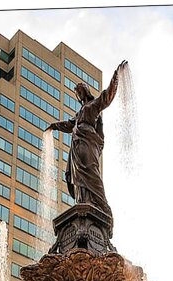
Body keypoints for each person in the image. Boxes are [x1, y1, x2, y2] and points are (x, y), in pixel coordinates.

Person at [46, 60, 128, 225]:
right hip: (77, 144)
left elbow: (107, 96)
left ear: (86, 91)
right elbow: (69, 124)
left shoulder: (93, 105)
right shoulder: (78, 114)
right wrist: (55, 126)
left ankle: (103, 206)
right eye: (77, 91)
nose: (79, 93)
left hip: (89, 141)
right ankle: (84, 201)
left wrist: (116, 77)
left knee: (91, 171)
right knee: (79, 178)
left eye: (81, 90)